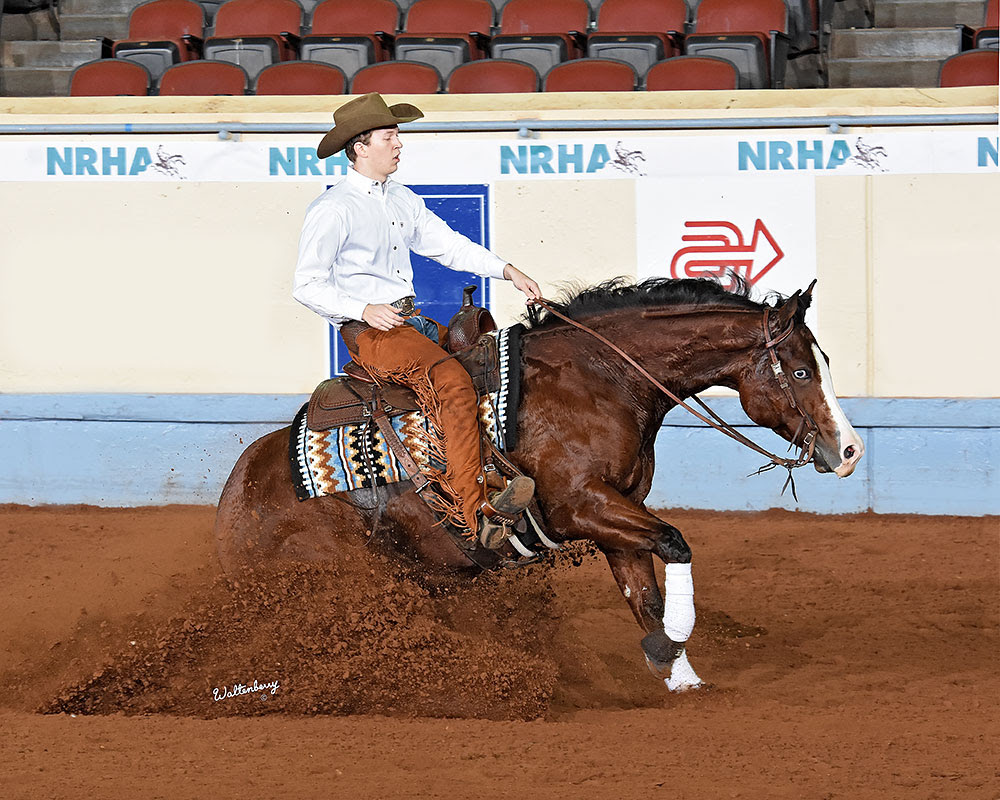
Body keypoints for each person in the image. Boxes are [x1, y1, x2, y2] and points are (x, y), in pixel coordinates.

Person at [293, 93, 540, 548]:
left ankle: (493, 472)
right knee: (452, 383)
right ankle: (475, 514)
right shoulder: (333, 208)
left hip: (408, 323)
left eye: (397, 136)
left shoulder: (401, 199)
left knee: (491, 362)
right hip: (372, 333)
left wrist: (506, 270)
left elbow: (450, 246)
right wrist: (362, 309)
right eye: (389, 137)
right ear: (360, 147)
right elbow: (306, 285)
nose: (399, 144)